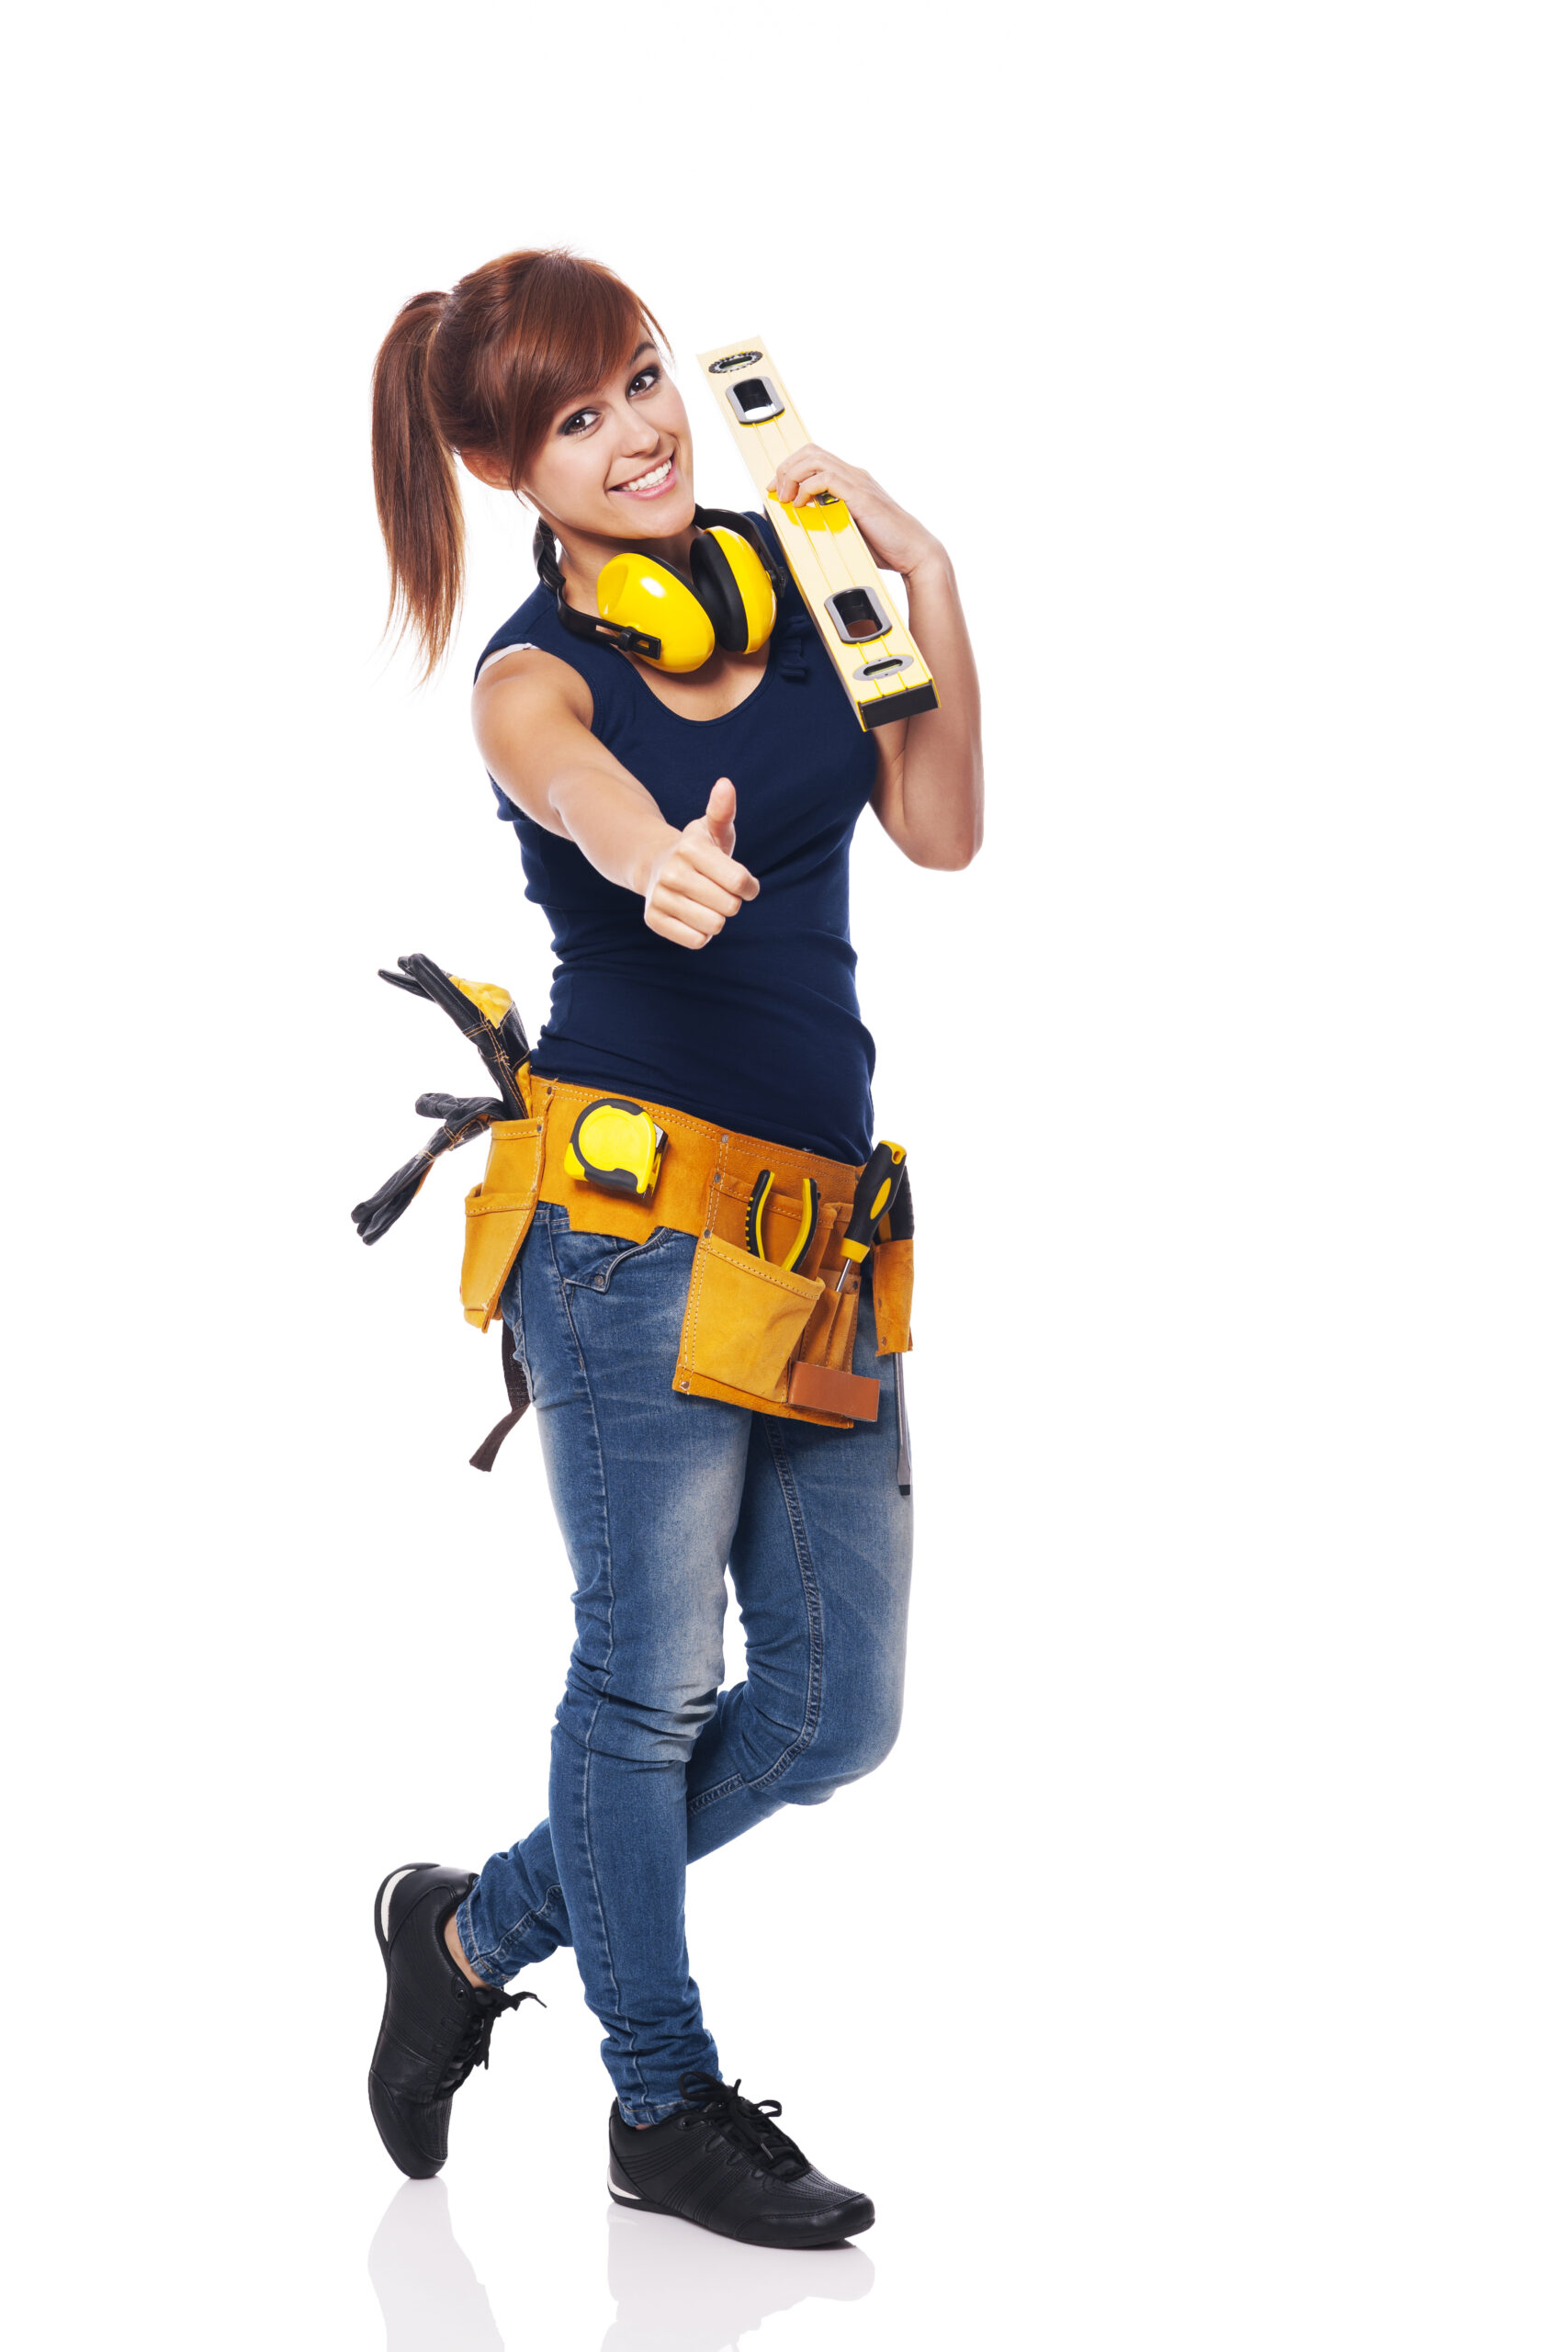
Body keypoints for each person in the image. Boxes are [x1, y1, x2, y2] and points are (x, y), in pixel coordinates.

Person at [366, 247, 983, 2248]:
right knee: (642, 1688)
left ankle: (469, 1928)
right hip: (630, 1241)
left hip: (816, 1246)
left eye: (640, 379)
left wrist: (930, 583)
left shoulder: (797, 586)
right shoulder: (536, 674)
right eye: (573, 418)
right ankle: (658, 2098)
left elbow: (946, 827)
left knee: (832, 1711)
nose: (636, 432)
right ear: (503, 468)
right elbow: (567, 778)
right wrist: (649, 851)